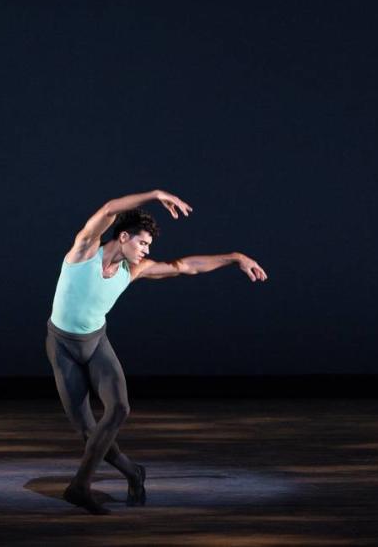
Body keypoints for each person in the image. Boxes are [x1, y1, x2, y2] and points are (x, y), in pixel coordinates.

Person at [46, 189, 268, 514]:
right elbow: (108, 209)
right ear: (123, 237)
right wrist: (154, 194)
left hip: (96, 344)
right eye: (143, 243)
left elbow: (185, 266)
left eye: (149, 246)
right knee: (88, 432)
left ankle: (79, 487)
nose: (146, 251)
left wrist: (235, 257)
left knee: (119, 408)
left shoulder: (133, 270)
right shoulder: (84, 252)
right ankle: (133, 472)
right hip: (61, 346)